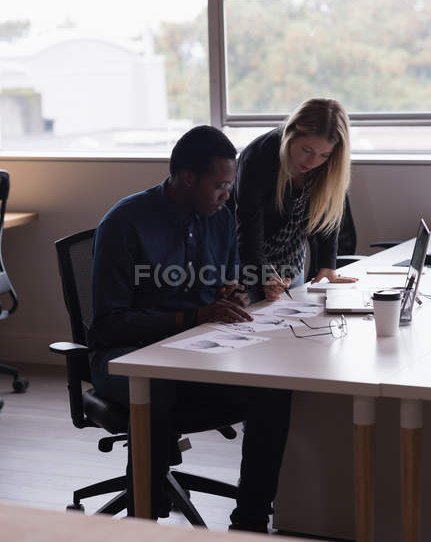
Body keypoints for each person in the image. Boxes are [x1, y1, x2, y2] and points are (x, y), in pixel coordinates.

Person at [88, 125, 292, 533]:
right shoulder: (125, 223)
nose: (227, 195)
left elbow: (226, 282)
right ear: (186, 179)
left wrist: (235, 296)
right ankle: (144, 519)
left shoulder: (219, 218)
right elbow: (108, 326)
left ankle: (250, 518)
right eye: (219, 186)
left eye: (230, 185)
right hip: (126, 356)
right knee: (157, 386)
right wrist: (192, 318)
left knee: (275, 387)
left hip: (196, 348)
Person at [235, 98, 357, 302]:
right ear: (291, 134)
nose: (312, 162)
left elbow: (329, 213)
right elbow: (247, 232)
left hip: (292, 264)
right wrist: (264, 276)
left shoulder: (327, 166)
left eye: (324, 155)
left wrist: (327, 264)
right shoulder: (259, 156)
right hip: (248, 260)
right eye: (306, 150)